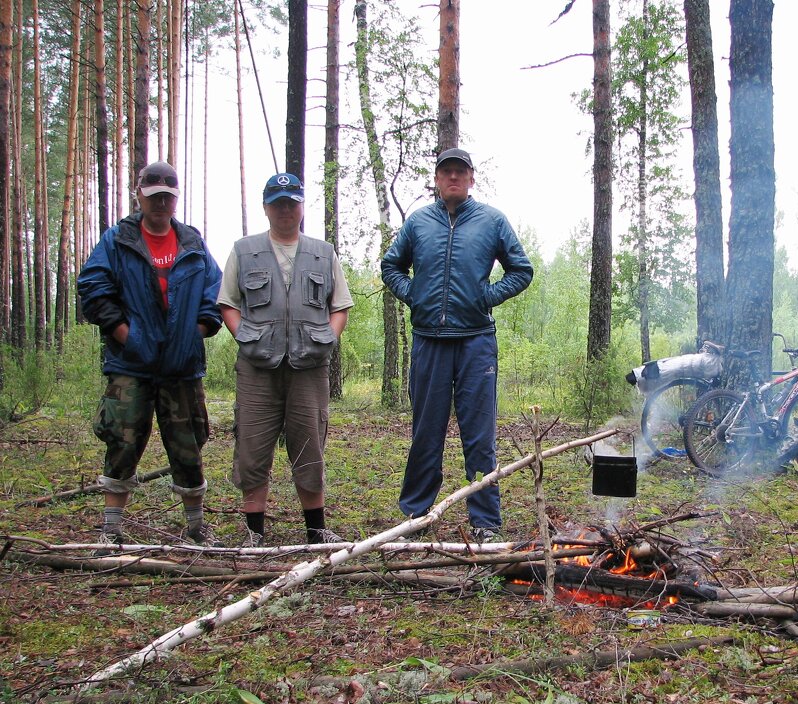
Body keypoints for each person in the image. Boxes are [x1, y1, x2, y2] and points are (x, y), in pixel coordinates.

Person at [381, 148, 534, 541]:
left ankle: (484, 522)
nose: (453, 177)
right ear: (436, 178)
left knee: (479, 437)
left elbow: (521, 270)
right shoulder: (418, 223)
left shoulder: (492, 220)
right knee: (425, 433)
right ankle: (415, 516)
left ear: (470, 178)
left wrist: (487, 296)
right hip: (429, 340)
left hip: (476, 342)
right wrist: (413, 294)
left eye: (460, 172)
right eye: (446, 171)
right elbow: (390, 266)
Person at [77, 160, 223, 548]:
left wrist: (197, 333)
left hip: (182, 366)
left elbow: (215, 293)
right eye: (154, 195)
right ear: (139, 193)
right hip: (131, 364)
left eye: (168, 197)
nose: (161, 203)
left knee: (188, 444)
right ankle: (111, 530)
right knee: (122, 441)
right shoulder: (117, 240)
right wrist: (125, 334)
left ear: (176, 199)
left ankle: (194, 529)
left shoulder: (192, 241)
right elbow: (93, 288)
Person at [218, 173, 354, 547]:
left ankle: (315, 531)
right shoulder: (244, 251)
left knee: (310, 445)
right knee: (252, 446)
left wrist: (328, 336)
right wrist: (244, 335)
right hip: (257, 369)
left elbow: (340, 305)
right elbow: (227, 302)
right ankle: (254, 534)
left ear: (300, 207)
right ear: (266, 208)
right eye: (277, 202)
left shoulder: (322, 253)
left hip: (309, 368)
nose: (284, 209)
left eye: (291, 202)